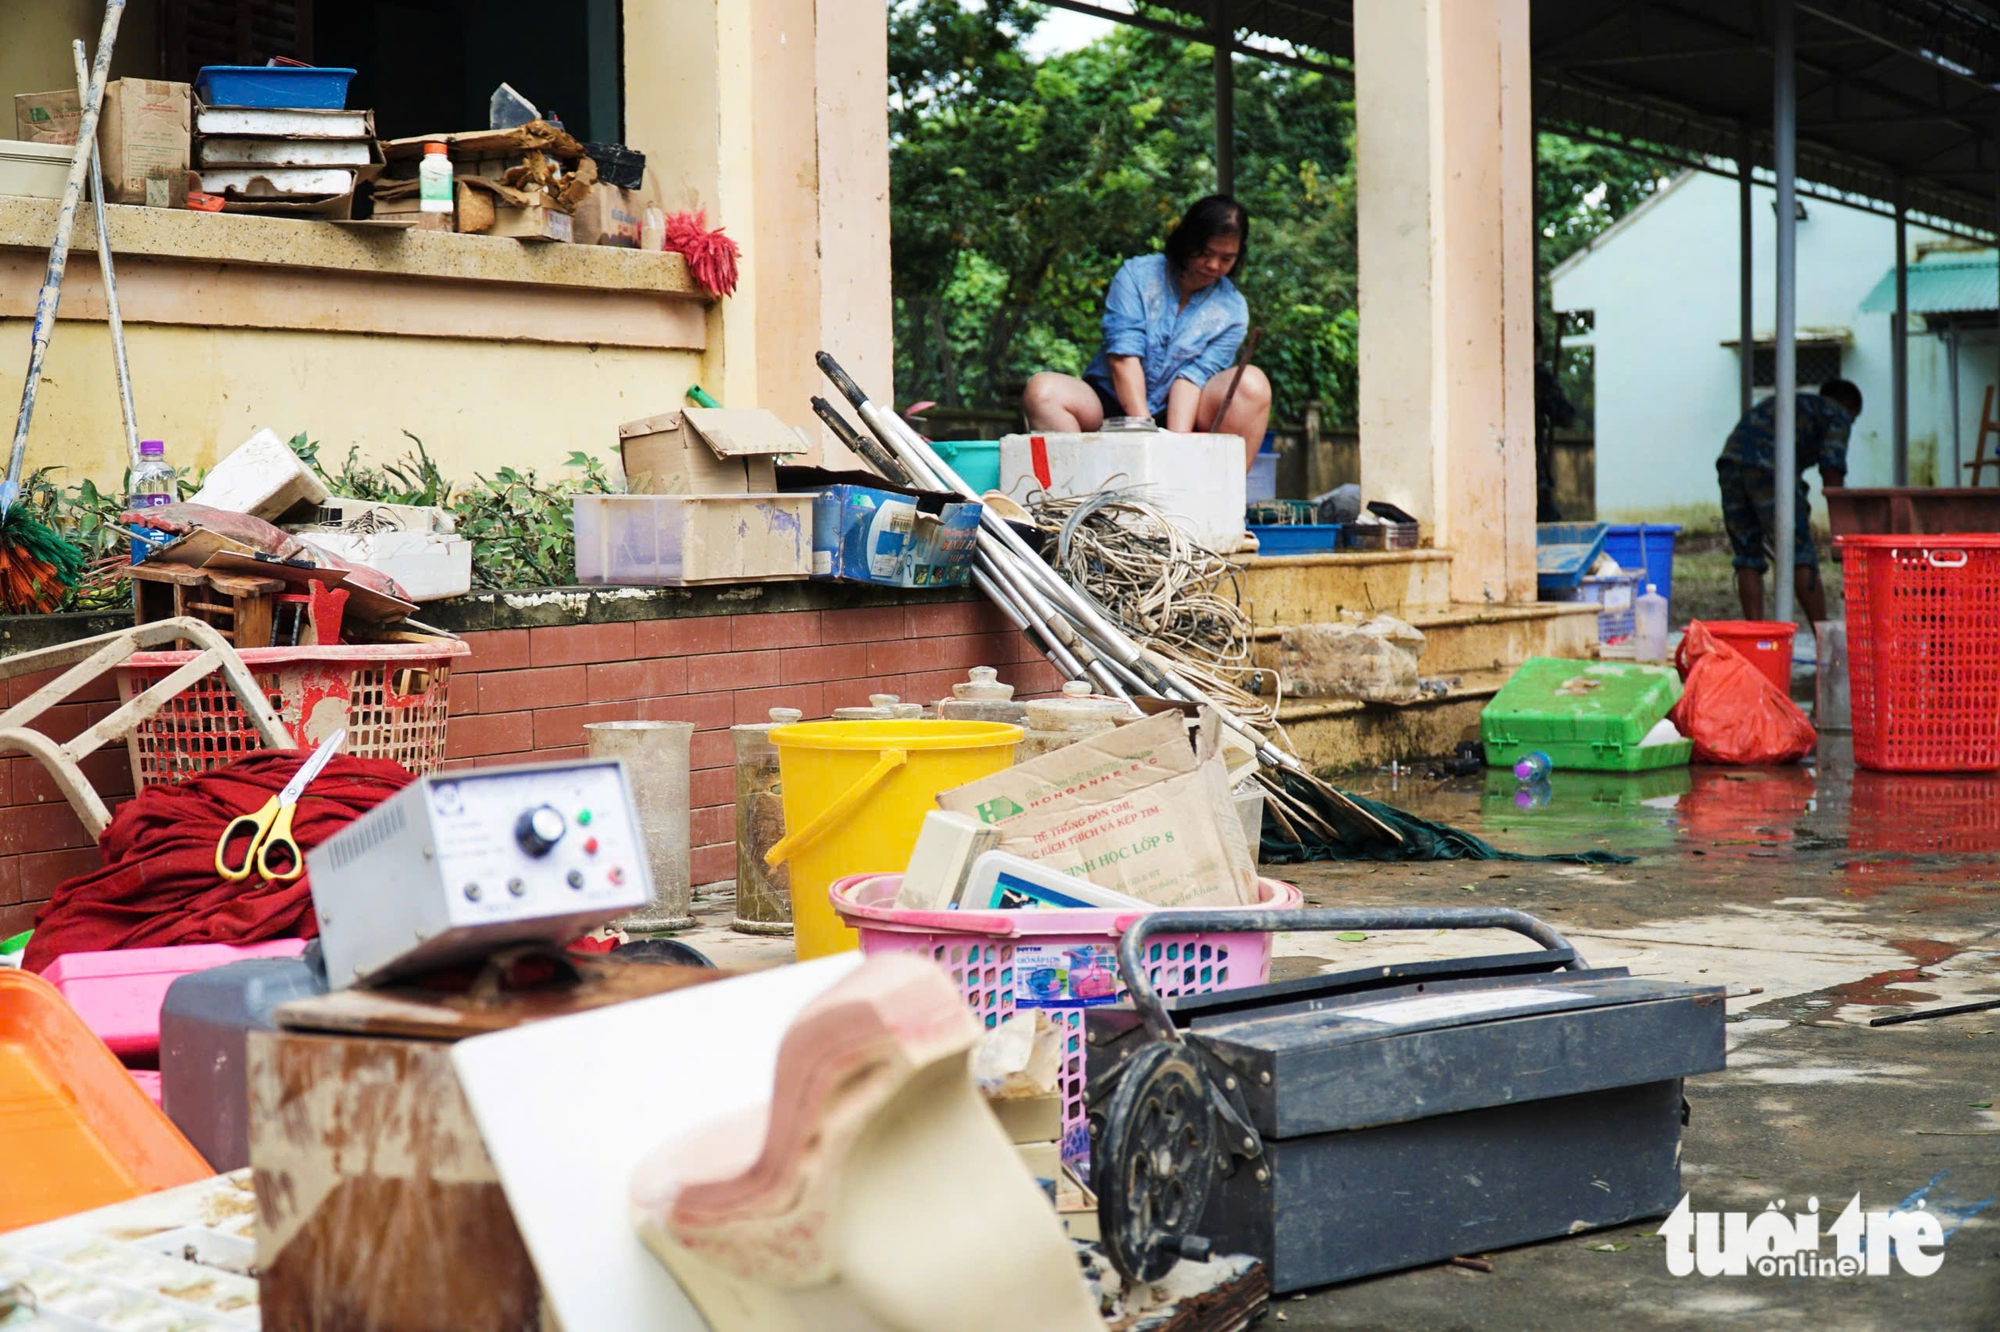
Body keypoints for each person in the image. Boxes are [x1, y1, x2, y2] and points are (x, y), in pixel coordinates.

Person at [1021, 195, 1271, 472]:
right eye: (1205, 252)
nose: (1214, 265)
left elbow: (1191, 378)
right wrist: (1145, 436)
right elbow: (1123, 359)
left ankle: (1223, 495)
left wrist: (1173, 448)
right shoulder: (1136, 276)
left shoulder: (1233, 310)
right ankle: (1078, 493)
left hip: (1179, 417)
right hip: (1109, 405)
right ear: (1186, 241)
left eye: (1227, 258)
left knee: (1253, 384)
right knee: (1042, 392)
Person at [1715, 377, 1860, 625]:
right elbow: (1832, 468)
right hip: (1769, 468)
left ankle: (1755, 633)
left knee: (1747, 554)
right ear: (1849, 406)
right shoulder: (1837, 413)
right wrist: (1842, 530)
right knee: (1799, 551)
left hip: (1731, 462)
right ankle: (1822, 641)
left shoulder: (1794, 403)